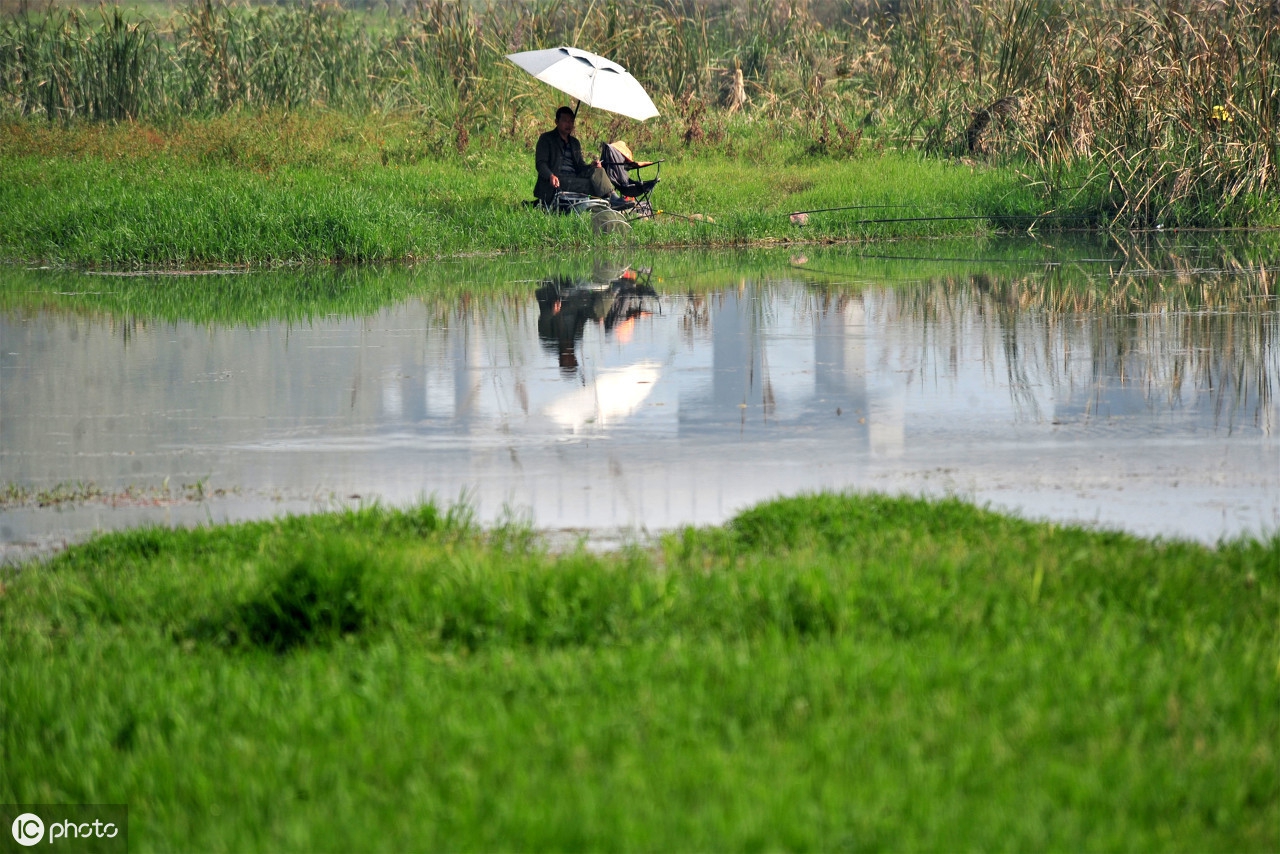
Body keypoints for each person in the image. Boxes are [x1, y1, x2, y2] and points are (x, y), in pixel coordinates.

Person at [534, 106, 632, 210]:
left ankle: (613, 198)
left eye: (571, 121)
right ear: (556, 122)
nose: (569, 124)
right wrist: (551, 176)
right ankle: (611, 202)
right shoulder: (547, 139)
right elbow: (541, 163)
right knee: (591, 185)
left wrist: (591, 166)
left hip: (574, 178)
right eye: (565, 121)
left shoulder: (574, 143)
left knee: (598, 170)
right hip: (557, 180)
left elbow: (580, 166)